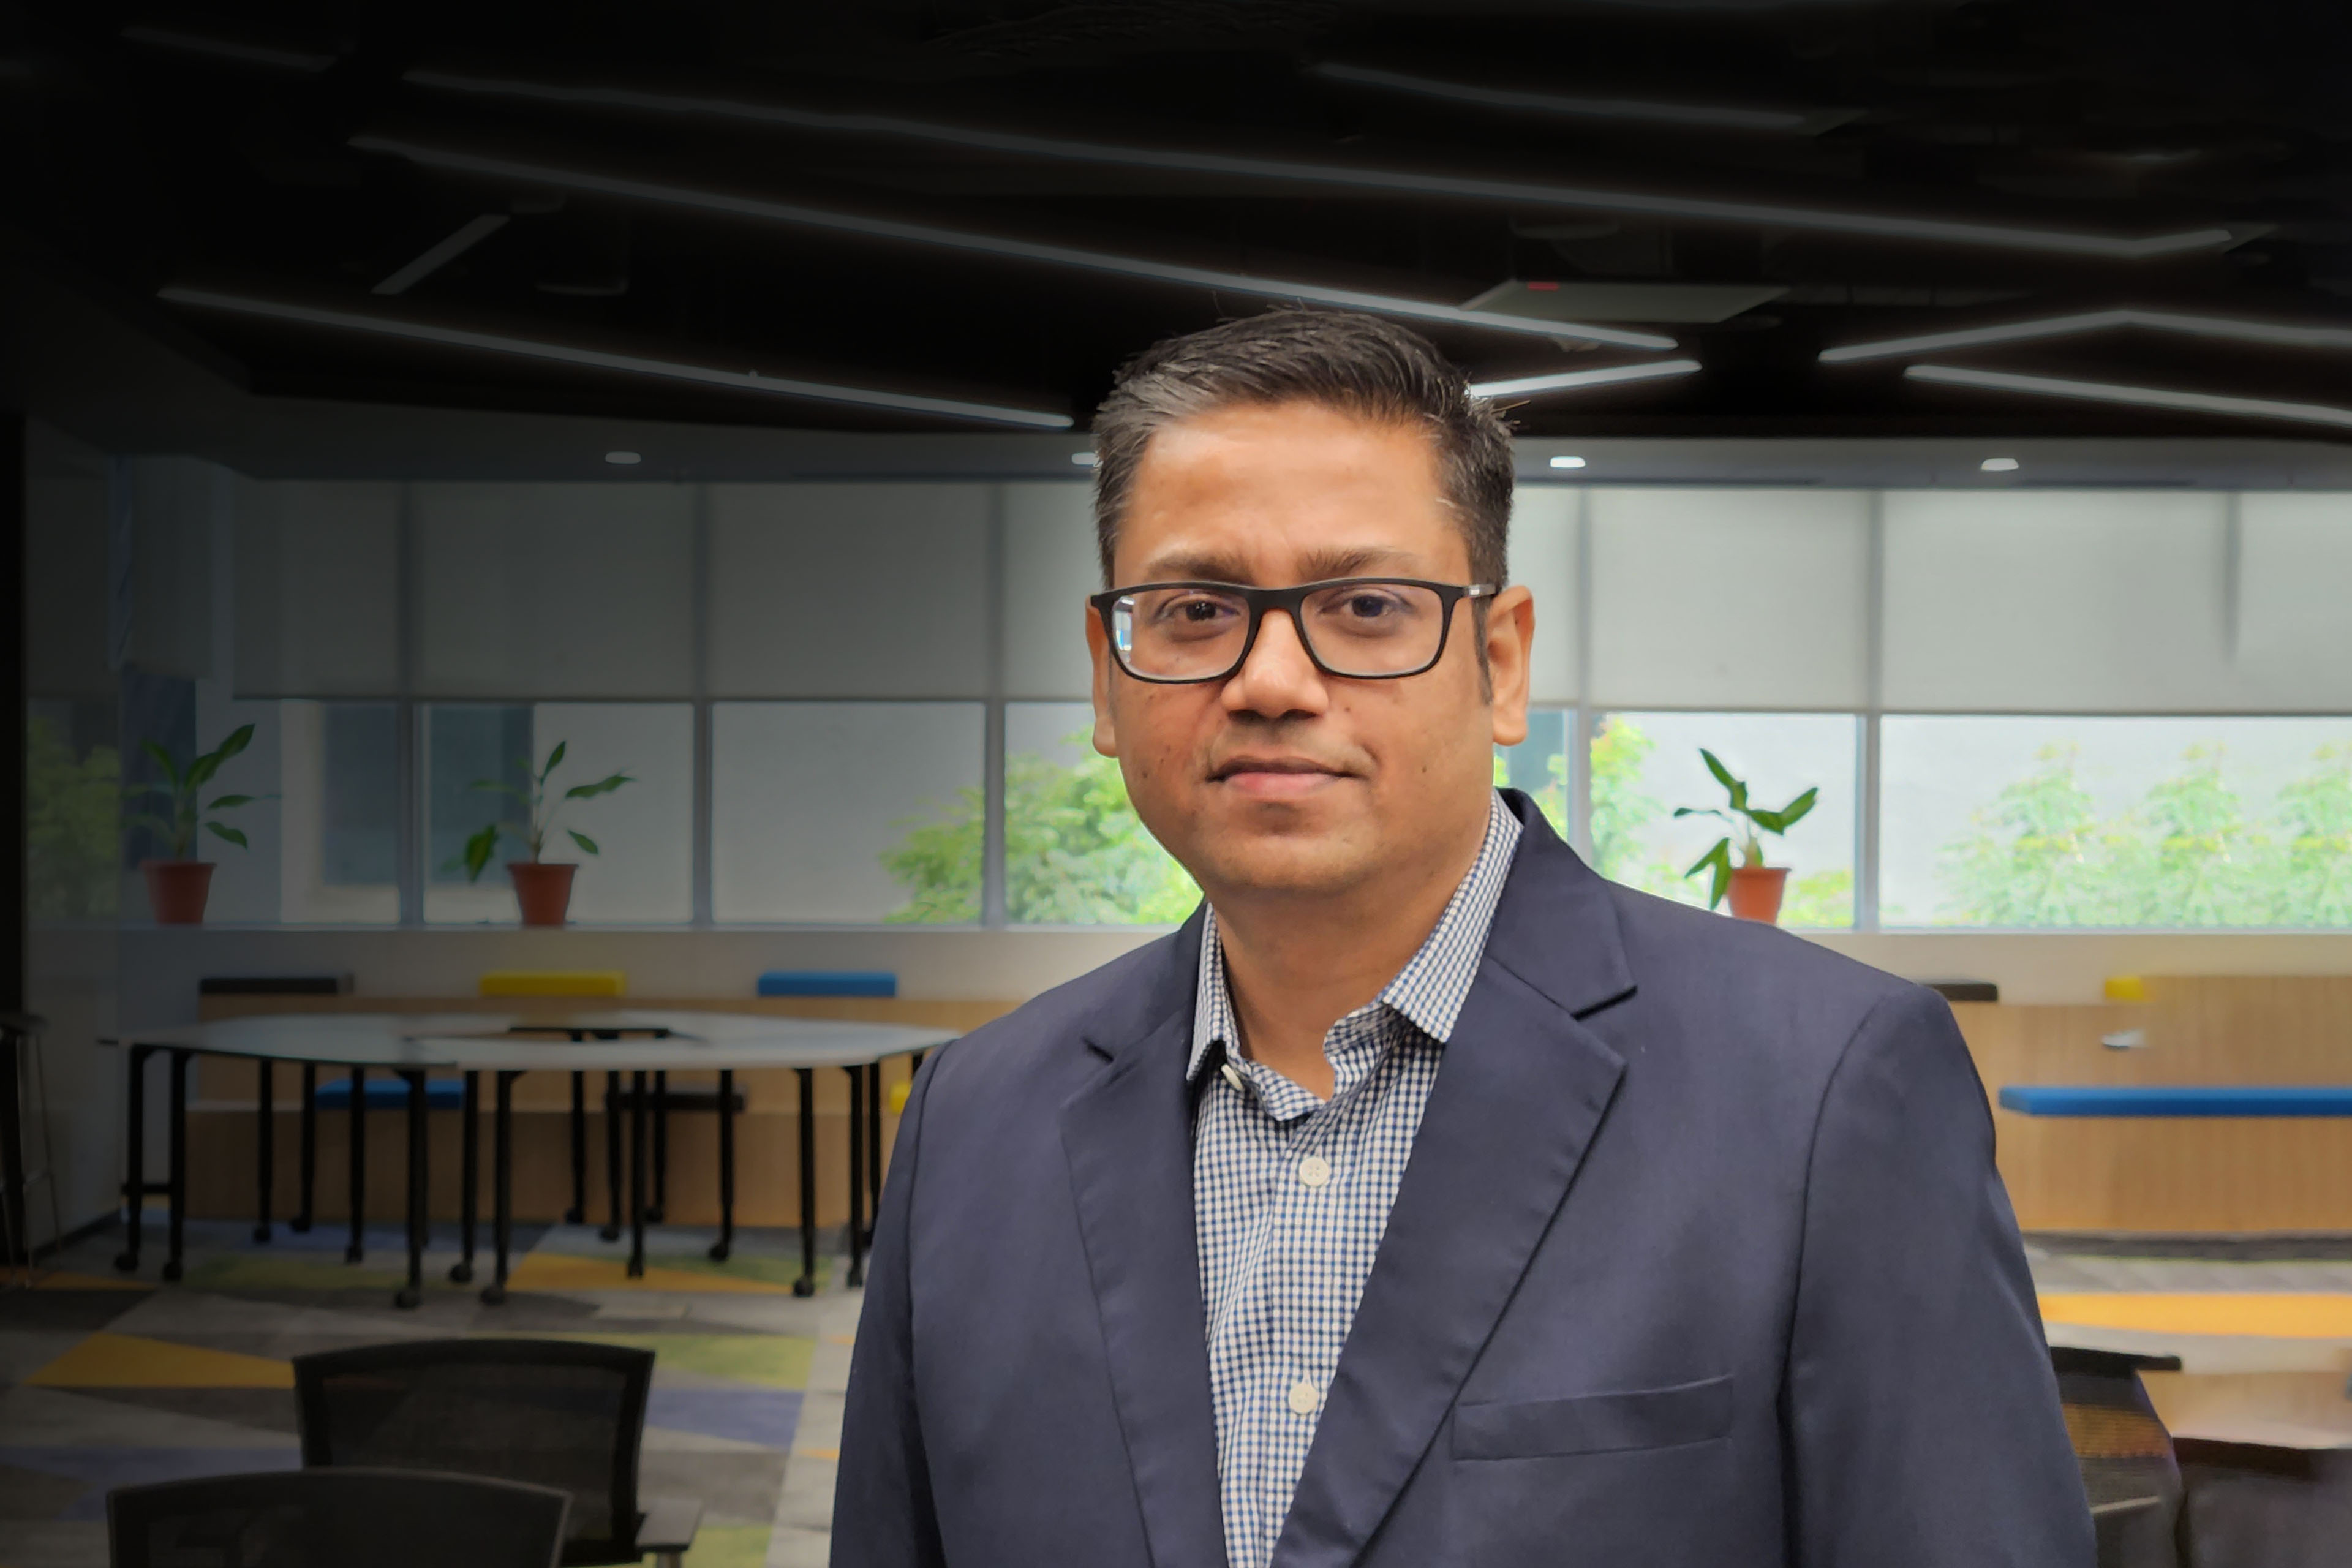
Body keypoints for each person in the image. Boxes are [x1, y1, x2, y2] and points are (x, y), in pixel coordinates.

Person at [833, 310, 2091, 1568]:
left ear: (1500, 661)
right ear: (1110, 678)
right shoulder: (974, 1120)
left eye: (1367, 606)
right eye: (1196, 608)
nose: (1271, 680)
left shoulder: (1827, 1088)